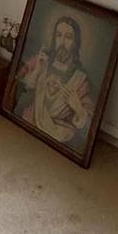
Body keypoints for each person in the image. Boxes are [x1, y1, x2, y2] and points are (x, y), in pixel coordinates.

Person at [15, 12, 95, 150]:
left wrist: (78, 108)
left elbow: (88, 125)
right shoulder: (41, 60)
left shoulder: (81, 79)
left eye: (68, 37)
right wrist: (36, 72)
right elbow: (15, 88)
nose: (62, 42)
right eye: (58, 36)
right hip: (26, 124)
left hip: (62, 134)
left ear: (76, 43)